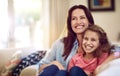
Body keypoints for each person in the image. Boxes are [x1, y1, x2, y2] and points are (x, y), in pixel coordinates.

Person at [38, 4, 95, 76]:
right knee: (55, 68)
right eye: (74, 19)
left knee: (74, 70)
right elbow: (40, 66)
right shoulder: (60, 44)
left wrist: (99, 68)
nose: (78, 22)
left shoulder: (98, 42)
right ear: (70, 23)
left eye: (82, 17)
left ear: (89, 21)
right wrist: (54, 64)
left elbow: (114, 52)